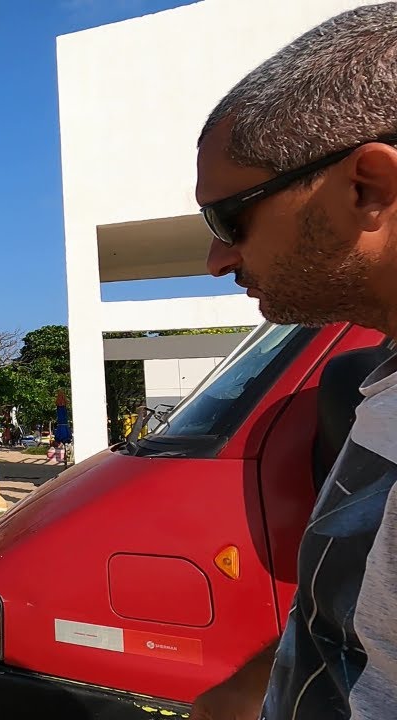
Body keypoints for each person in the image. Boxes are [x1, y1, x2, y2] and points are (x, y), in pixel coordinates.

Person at [191, 5, 397, 719]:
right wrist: (260, 686)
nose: (217, 259)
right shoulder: (381, 376)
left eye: (229, 218)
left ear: (368, 187)